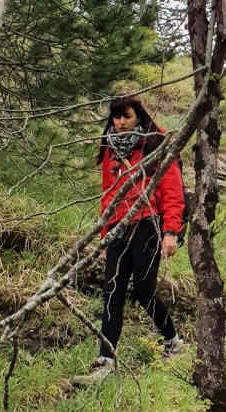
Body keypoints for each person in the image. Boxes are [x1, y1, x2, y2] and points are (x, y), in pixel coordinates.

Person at [73, 95, 186, 387]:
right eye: (117, 117)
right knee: (112, 291)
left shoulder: (155, 143)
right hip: (118, 227)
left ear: (139, 117)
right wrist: (104, 236)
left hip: (149, 222)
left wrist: (171, 231)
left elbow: (172, 188)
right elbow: (108, 193)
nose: (121, 123)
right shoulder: (109, 148)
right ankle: (105, 362)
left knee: (144, 290)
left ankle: (173, 341)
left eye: (127, 117)